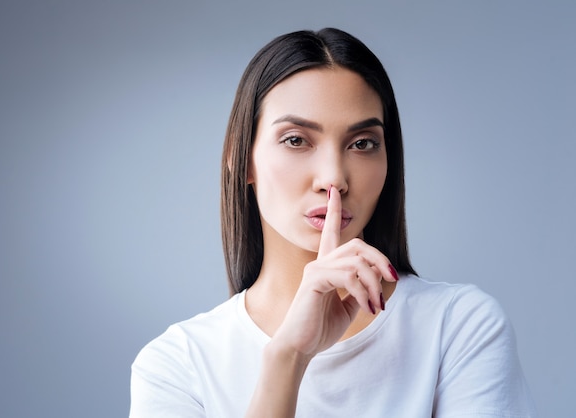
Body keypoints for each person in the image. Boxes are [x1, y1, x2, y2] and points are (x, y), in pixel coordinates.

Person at [129, 28, 537, 417]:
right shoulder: (177, 365)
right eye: (296, 140)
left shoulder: (459, 328)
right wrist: (287, 357)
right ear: (242, 162)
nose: (334, 178)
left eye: (362, 144)